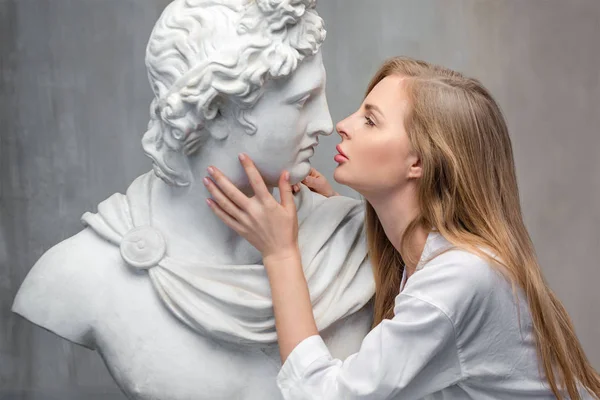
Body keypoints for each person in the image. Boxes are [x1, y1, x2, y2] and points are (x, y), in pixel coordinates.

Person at [203, 56, 600, 399]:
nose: (341, 124)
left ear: (419, 164)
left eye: (370, 121)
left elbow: (323, 395)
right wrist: (336, 209)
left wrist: (280, 253)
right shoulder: (437, 256)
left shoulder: (459, 280)